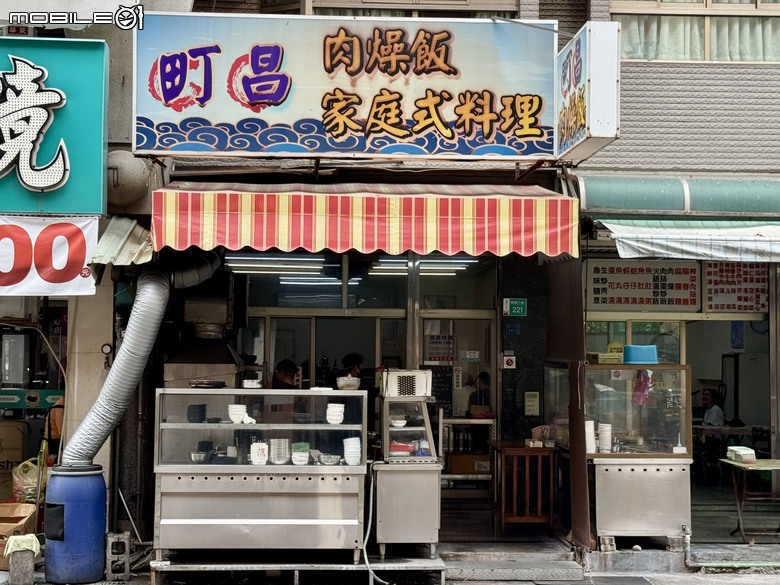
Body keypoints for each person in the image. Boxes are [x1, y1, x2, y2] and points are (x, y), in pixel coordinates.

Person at [44, 396, 65, 463]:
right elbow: (61, 431)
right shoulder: (59, 408)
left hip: (54, 443)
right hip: (53, 445)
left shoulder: (60, 406)